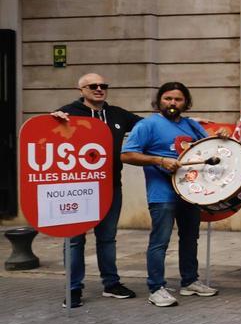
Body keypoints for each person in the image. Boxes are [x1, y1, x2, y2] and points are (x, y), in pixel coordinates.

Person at [120, 82, 221, 307]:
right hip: (161, 193)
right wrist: (159, 160)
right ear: (159, 101)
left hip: (190, 191)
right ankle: (156, 288)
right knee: (160, 241)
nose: (172, 103)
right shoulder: (148, 124)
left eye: (178, 99)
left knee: (189, 238)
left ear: (186, 103)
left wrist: (221, 137)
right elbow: (126, 155)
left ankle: (190, 281)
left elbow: (208, 148)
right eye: (168, 99)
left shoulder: (191, 126)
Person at [51, 73, 142, 307]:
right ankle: (73, 289)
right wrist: (52, 121)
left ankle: (111, 284)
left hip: (110, 187)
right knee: (74, 240)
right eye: (93, 86)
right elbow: (45, 138)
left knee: (107, 239)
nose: (99, 89)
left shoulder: (117, 114)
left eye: (103, 85)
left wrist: (190, 121)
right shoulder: (66, 113)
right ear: (81, 89)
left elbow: (150, 125)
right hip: (76, 189)